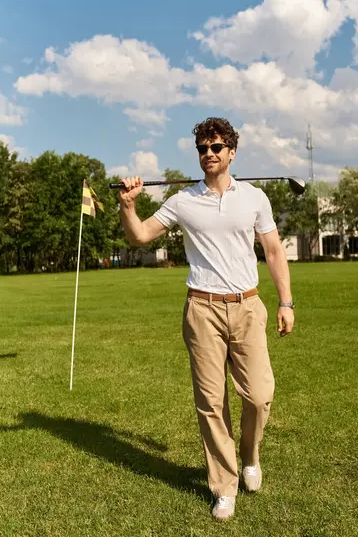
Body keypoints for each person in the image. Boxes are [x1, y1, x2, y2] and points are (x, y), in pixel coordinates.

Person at [118, 117, 294, 520]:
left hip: (248, 306)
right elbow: (140, 236)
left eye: (216, 147)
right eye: (202, 148)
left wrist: (286, 302)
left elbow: (273, 250)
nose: (209, 154)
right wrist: (128, 206)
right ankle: (223, 485)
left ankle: (249, 455)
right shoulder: (182, 200)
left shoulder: (254, 197)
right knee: (211, 403)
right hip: (202, 309)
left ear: (232, 151)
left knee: (259, 395)